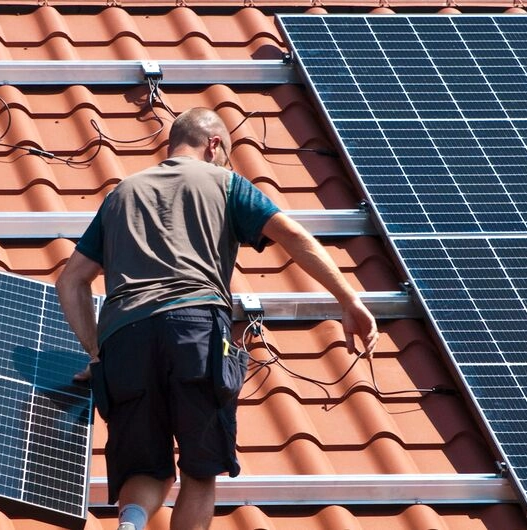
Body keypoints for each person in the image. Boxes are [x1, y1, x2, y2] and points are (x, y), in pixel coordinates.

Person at [56, 108, 378, 530]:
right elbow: (294, 237)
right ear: (214, 144)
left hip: (125, 339)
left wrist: (98, 352)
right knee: (199, 467)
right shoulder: (226, 183)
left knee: (144, 469)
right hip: (195, 328)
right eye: (226, 154)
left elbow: (71, 282)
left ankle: (131, 523)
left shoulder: (121, 195)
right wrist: (348, 301)